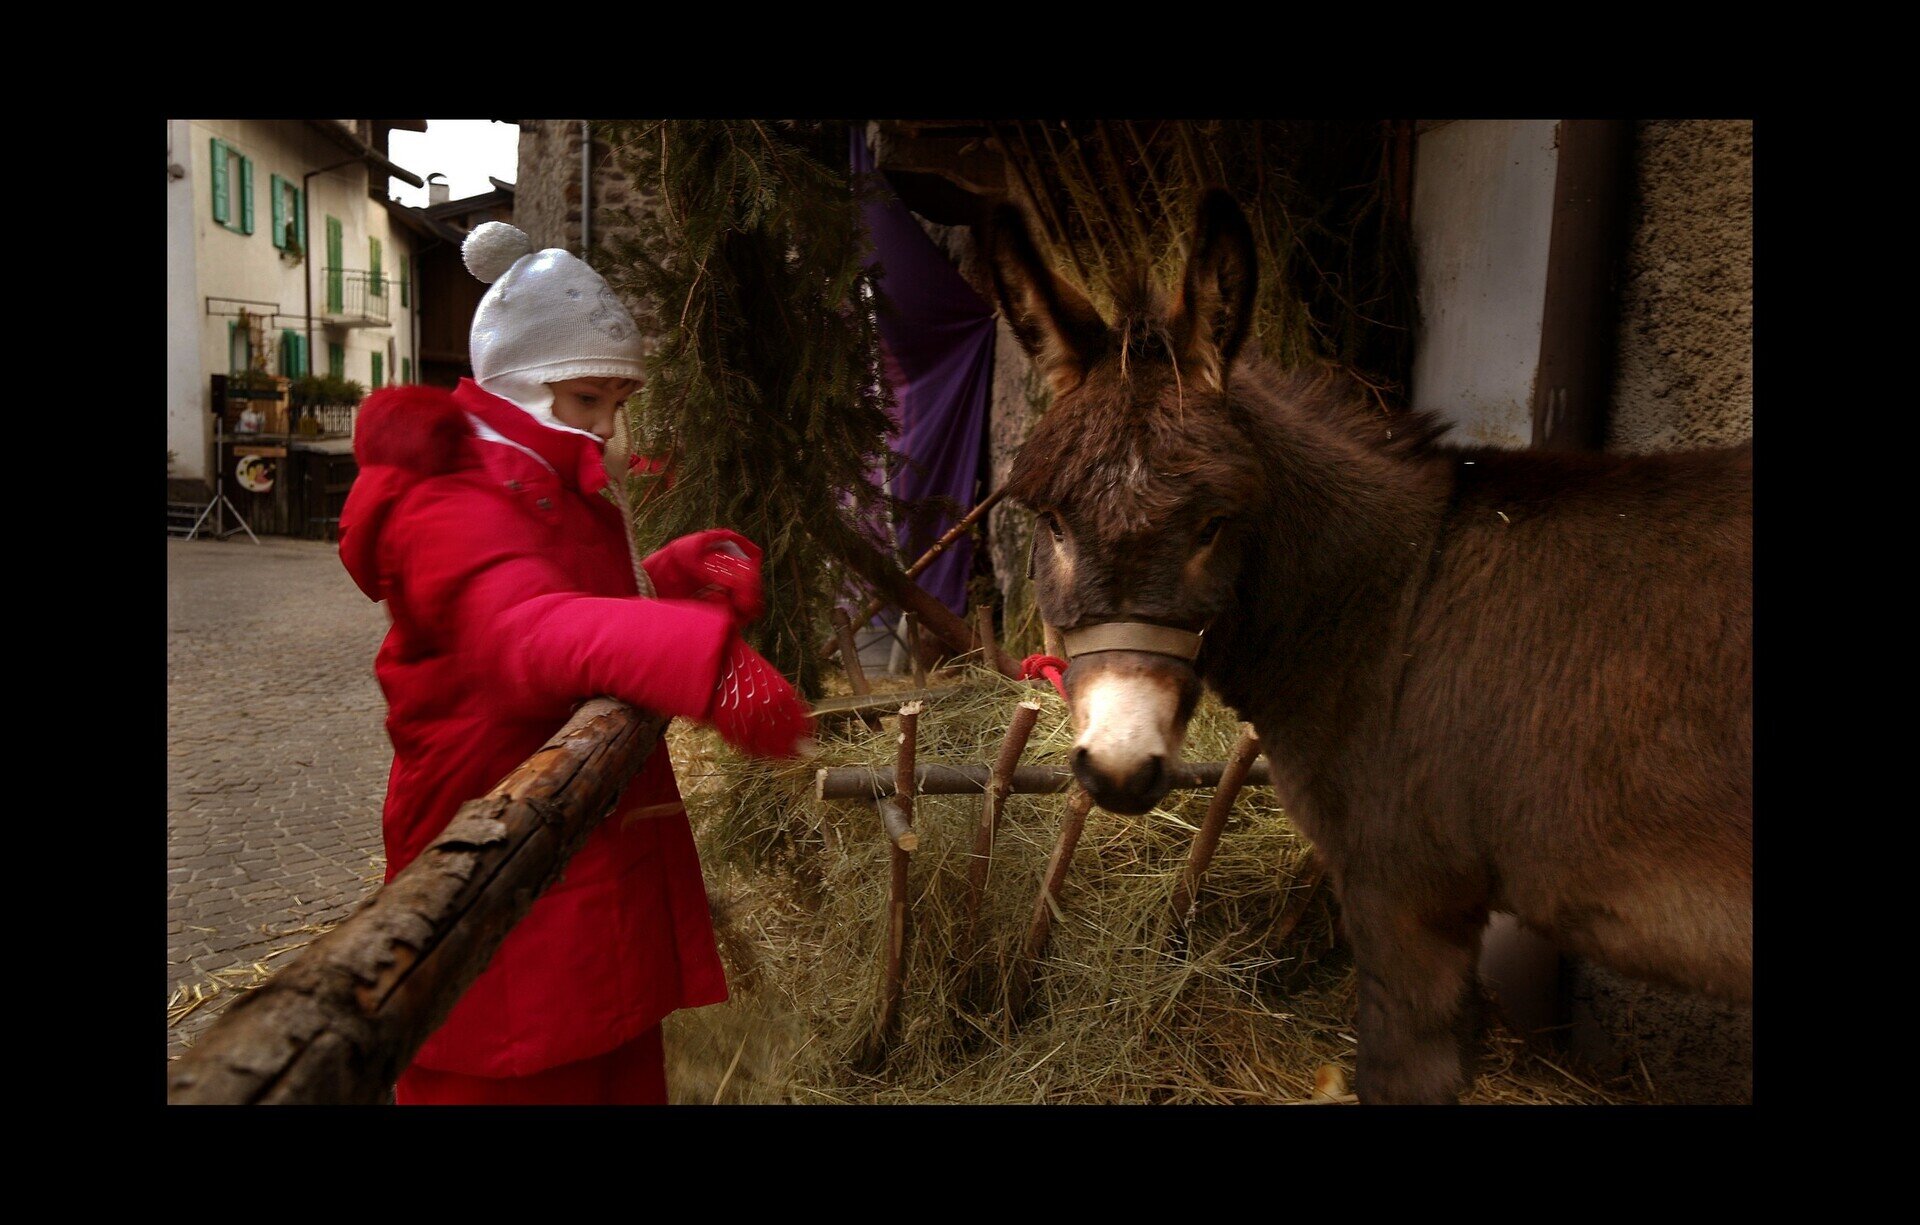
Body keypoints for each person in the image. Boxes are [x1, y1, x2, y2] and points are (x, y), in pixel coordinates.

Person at [338, 222, 814, 1105]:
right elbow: (520, 631)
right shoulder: (452, 493)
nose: (607, 428)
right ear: (520, 388)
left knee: (605, 1044)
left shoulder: (541, 476)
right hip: (490, 823)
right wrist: (703, 662)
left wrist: (669, 580)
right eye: (587, 400)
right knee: (512, 1054)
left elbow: (572, 599)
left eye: (615, 403)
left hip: (578, 835)